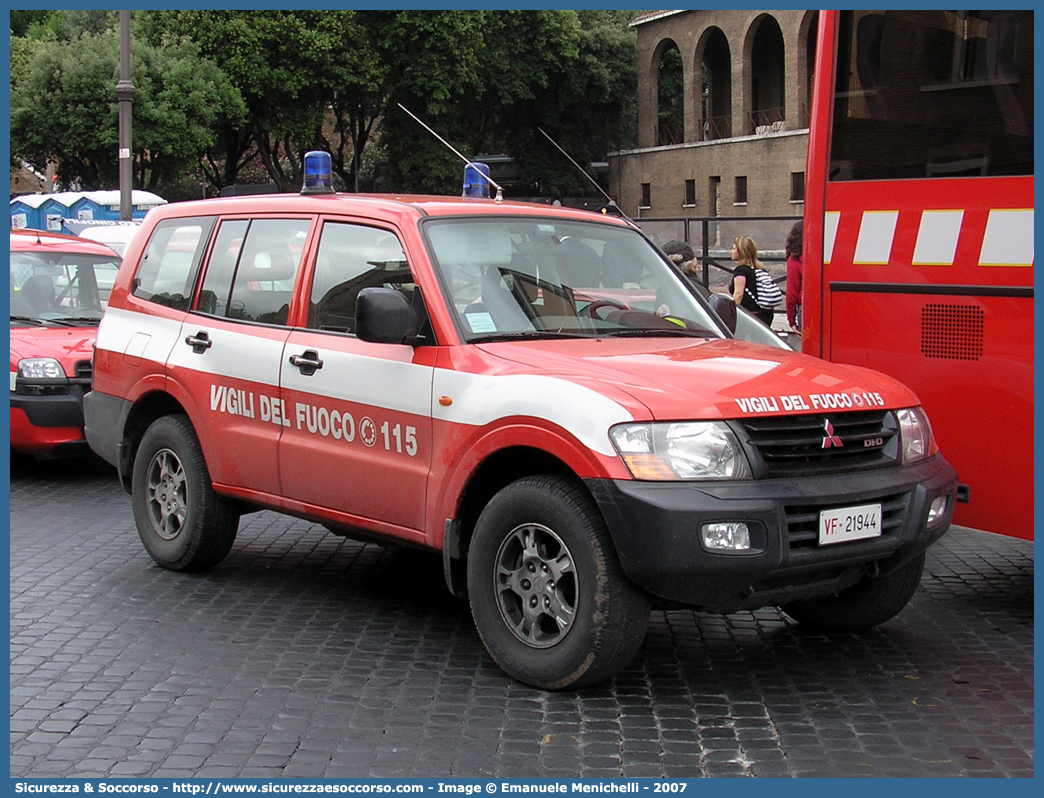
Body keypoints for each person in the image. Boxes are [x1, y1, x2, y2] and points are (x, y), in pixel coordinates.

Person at [729, 236, 774, 326]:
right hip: (766, 314)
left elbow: (739, 294)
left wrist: (731, 314)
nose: (731, 252)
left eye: (734, 249)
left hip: (750, 317)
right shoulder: (760, 269)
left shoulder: (741, 270)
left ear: (741, 252)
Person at [784, 220, 803, 332]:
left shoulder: (794, 260)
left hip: (804, 307)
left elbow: (791, 294)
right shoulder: (818, 257)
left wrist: (791, 320)